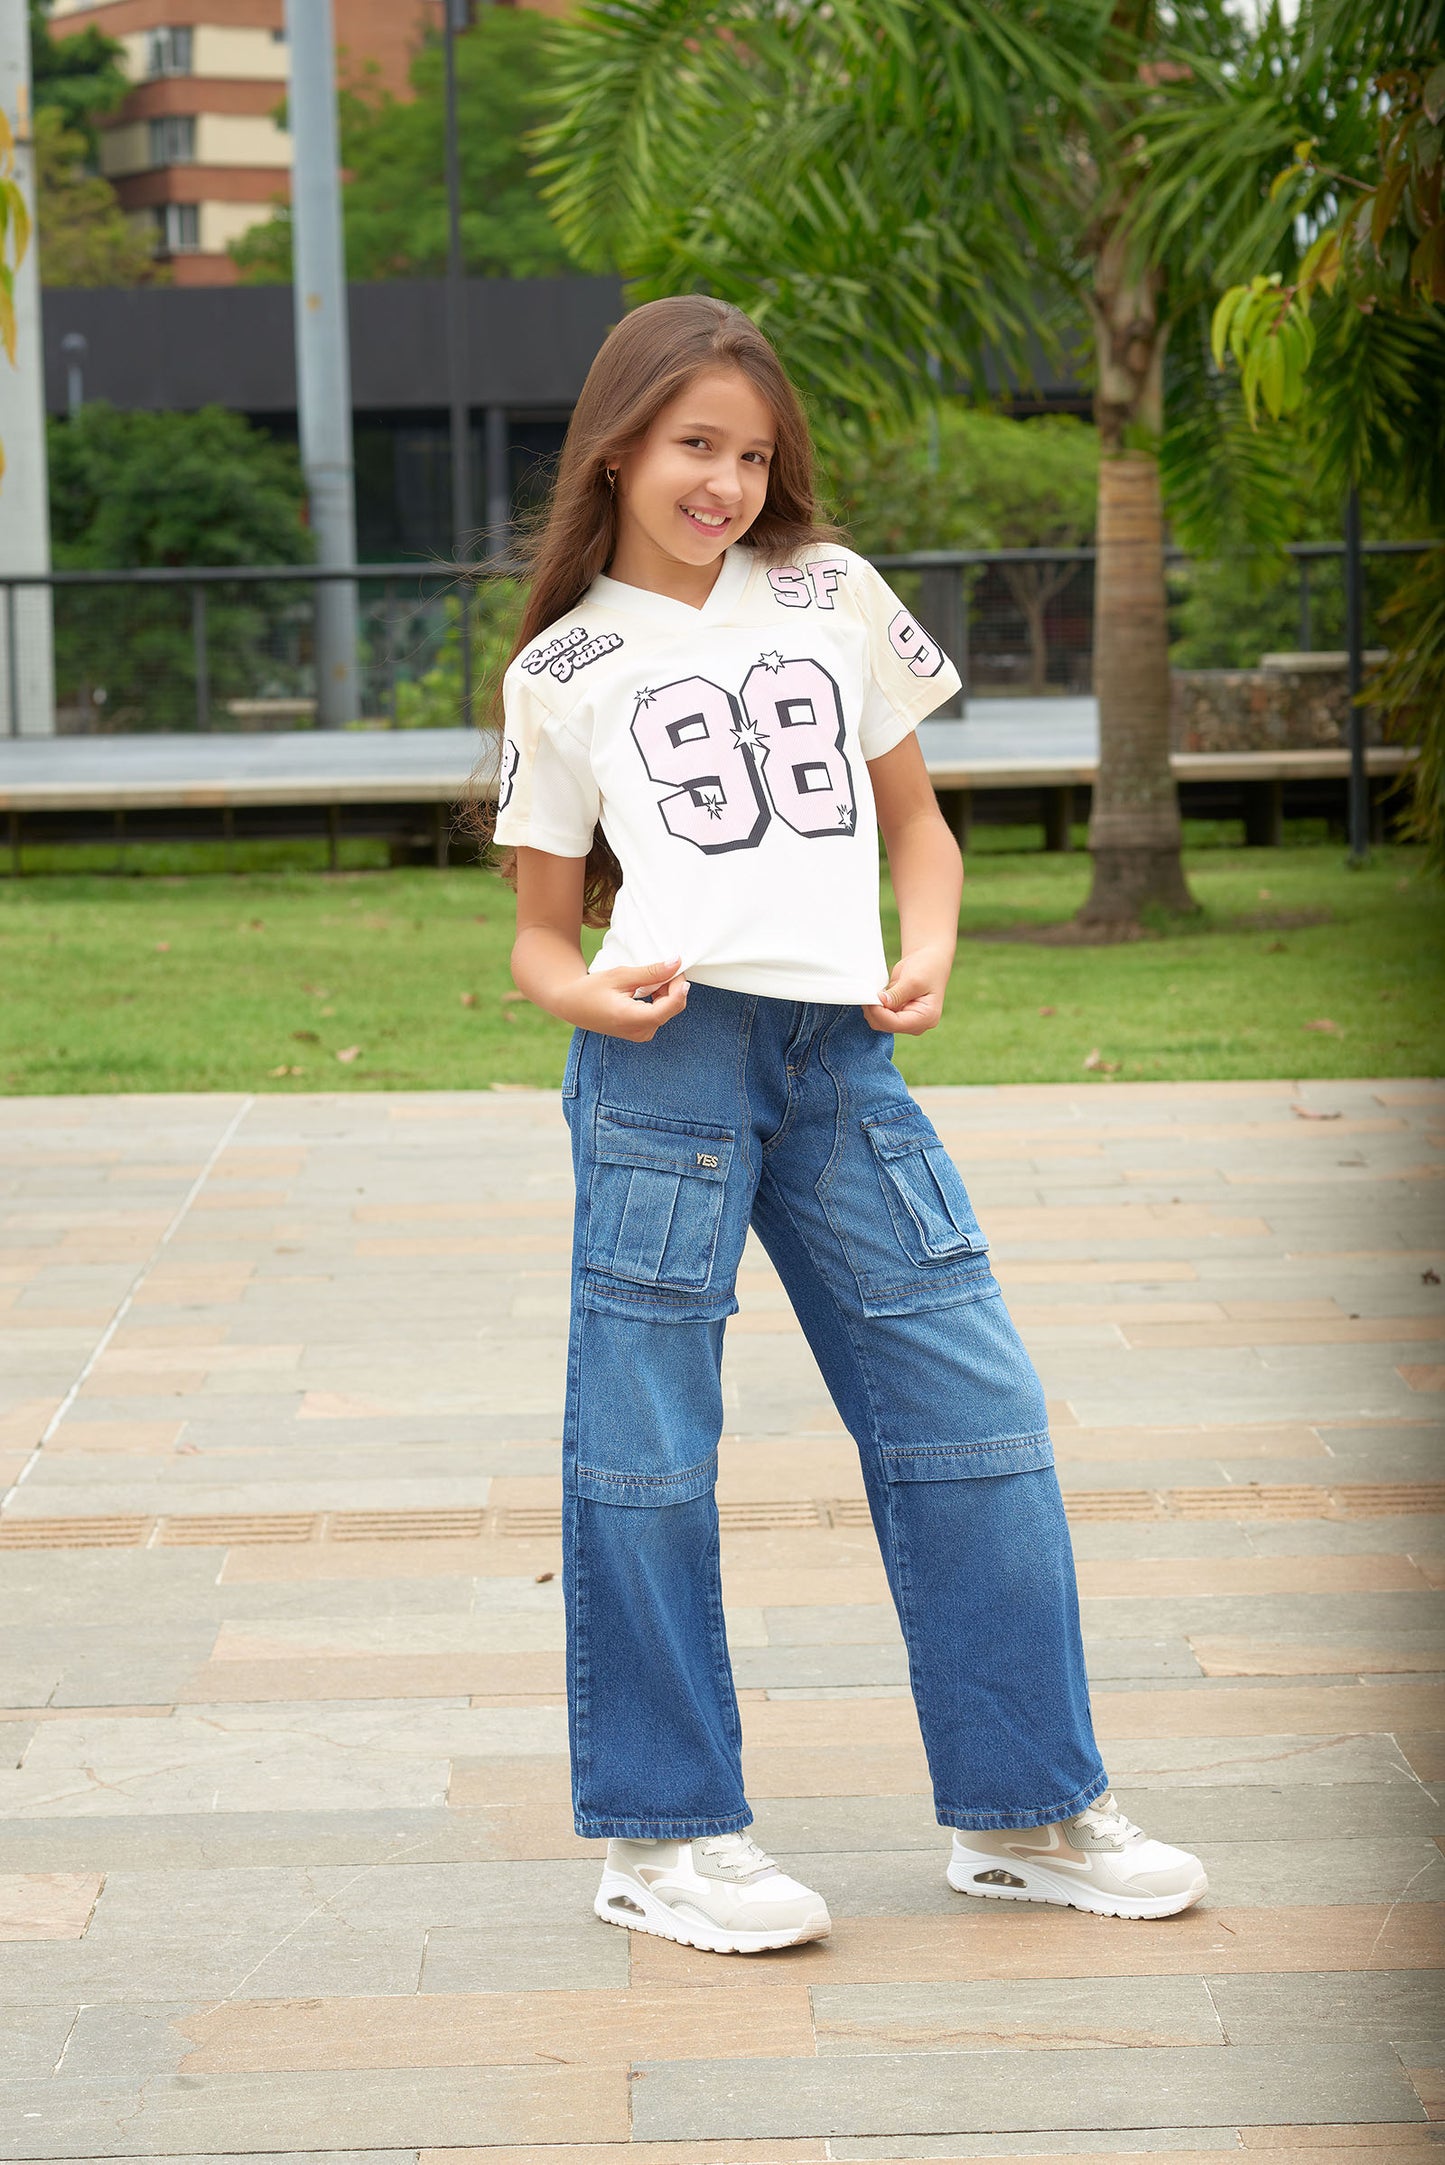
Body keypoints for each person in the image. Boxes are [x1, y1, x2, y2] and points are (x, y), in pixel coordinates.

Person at [482, 293, 1207, 1956]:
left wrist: (929, 948)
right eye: (692, 447)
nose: (725, 481)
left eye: (750, 452)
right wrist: (590, 997)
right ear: (616, 447)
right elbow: (536, 935)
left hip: (840, 1062)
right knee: (646, 1453)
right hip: (665, 1066)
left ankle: (1026, 1806)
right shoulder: (562, 667)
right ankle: (665, 1839)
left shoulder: (830, 593)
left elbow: (922, 832)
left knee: (976, 1411)